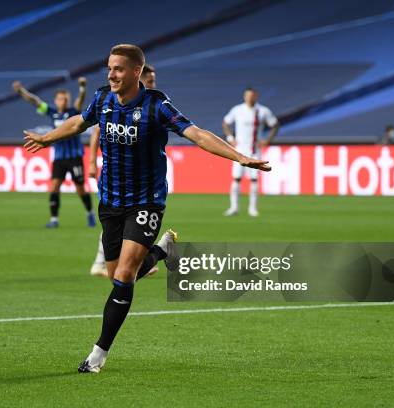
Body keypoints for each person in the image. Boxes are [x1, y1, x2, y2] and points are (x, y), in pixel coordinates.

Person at [24, 44, 270, 374]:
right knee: (118, 277)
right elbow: (78, 123)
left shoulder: (156, 106)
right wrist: (47, 138)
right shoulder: (102, 99)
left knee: (124, 276)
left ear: (136, 72)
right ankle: (160, 252)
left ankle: (97, 355)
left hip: (146, 201)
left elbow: (196, 133)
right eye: (109, 68)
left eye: (119, 69)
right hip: (111, 202)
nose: (111, 74)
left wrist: (239, 156)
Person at [88, 64, 158, 278]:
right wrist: (92, 161)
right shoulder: (115, 101)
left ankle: (118, 263)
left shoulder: (153, 104)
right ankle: (103, 262)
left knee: (121, 225)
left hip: (141, 181)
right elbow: (96, 131)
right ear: (140, 78)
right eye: (151, 80)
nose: (154, 85)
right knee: (115, 221)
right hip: (118, 179)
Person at [13, 78, 95, 228]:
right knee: (55, 186)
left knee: (80, 188)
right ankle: (54, 219)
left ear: (67, 100)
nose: (62, 102)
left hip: (74, 156)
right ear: (55, 100)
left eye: (64, 99)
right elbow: (35, 101)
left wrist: (82, 88)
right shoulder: (51, 112)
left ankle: (90, 213)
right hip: (59, 157)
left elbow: (80, 101)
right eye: (59, 99)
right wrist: (21, 91)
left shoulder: (73, 112)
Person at [222, 87, 279, 217]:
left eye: (252, 96)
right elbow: (225, 123)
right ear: (244, 96)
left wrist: (267, 140)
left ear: (256, 97)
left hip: (254, 150)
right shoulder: (237, 110)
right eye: (247, 96)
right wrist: (230, 138)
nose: (249, 98)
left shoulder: (262, 111)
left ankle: (252, 208)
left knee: (254, 179)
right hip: (239, 151)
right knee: (236, 179)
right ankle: (234, 207)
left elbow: (275, 125)